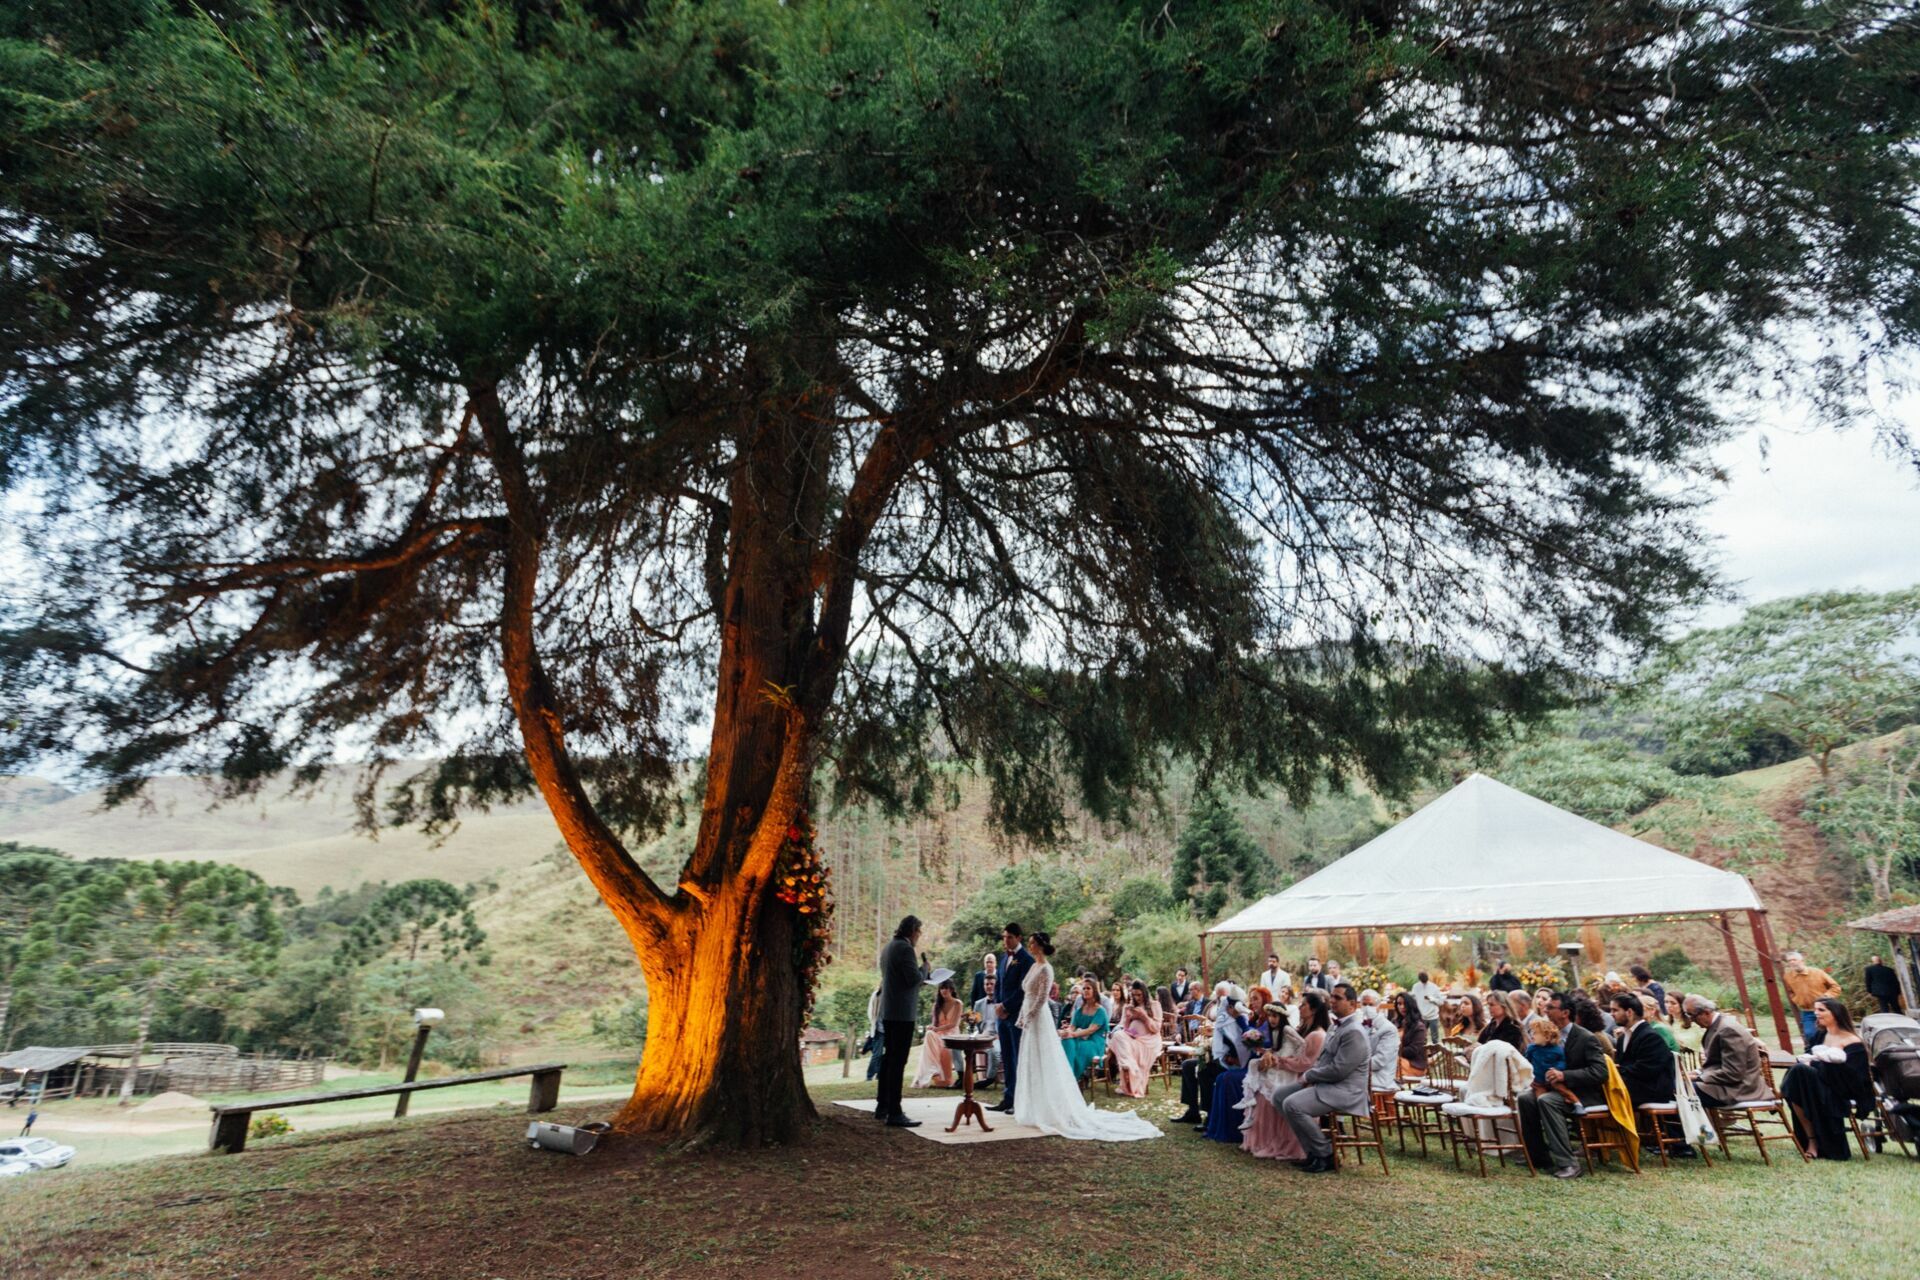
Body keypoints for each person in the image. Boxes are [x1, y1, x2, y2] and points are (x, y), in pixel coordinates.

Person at [1010, 931, 1161, 1141]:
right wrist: (1022, 1016)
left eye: (1033, 943)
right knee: (1030, 1059)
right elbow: (1027, 994)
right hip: (1028, 1015)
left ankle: (1052, 1107)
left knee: (1043, 1057)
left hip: (1038, 1017)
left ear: (1041, 946)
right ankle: (1033, 1107)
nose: (1030, 946)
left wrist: (1030, 1016)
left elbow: (1041, 998)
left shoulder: (1046, 968)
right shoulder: (1033, 966)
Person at [1264, 981, 1371, 1173]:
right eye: (1332, 996)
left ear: (1353, 1004)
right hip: (1327, 1083)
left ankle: (1326, 1154)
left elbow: (1339, 1070)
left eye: (1338, 998)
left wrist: (1309, 1076)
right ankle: (1312, 1151)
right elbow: (1324, 1060)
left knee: (1293, 1105)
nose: (1333, 1000)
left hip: (1345, 1090)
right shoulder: (1335, 1026)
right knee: (1279, 1096)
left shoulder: (1354, 1031)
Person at [1516, 992, 1610, 1178]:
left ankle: (1568, 1164)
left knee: (1547, 1101)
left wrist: (1564, 1075)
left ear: (1565, 1012)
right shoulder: (1546, 1034)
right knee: (1525, 1098)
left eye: (1551, 1007)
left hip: (1581, 1094)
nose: (1545, 1010)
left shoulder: (1585, 1037)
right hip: (1550, 1088)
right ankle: (1538, 1156)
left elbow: (1600, 1072)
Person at [1779, 996, 1874, 1159]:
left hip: (1841, 1089)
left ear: (1835, 1013)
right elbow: (1808, 1056)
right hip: (1817, 1083)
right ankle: (1812, 1140)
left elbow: (1854, 1077)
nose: (1816, 1013)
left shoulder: (1853, 1042)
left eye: (1821, 1010)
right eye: (1815, 1010)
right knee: (1798, 1076)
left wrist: (1815, 1065)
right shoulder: (1819, 1036)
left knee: (1798, 1073)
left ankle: (1779, 1093)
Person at [1242, 994, 1327, 1160]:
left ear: (1314, 1010)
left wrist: (1280, 1061)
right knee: (1258, 1075)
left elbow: (1305, 1062)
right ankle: (1263, 1133)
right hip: (1288, 1069)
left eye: (1303, 1005)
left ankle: (1284, 1143)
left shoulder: (1316, 1034)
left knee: (1271, 1094)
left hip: (1300, 1077)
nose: (1299, 1007)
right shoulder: (1299, 1029)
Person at [1611, 992, 1690, 1156]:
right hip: (1635, 1084)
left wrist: (1617, 1071)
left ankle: (1619, 1142)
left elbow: (1647, 1069)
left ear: (1630, 1012)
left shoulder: (1650, 1036)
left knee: (1611, 1094)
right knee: (1606, 1090)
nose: (1611, 1014)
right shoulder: (1622, 1038)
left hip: (1653, 1088)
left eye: (1615, 1010)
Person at [876, 914, 930, 1127]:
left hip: (889, 1011)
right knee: (898, 1061)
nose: (919, 936)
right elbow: (913, 979)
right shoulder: (906, 949)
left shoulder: (889, 947)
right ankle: (895, 1112)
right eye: (919, 932)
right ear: (912, 931)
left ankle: (883, 1106)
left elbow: (902, 979)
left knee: (889, 1060)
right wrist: (925, 968)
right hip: (902, 1014)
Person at [1684, 995, 1773, 1109]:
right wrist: (1696, 1072)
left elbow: (1733, 1072)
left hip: (1740, 1089)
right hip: (1728, 1085)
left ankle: (1696, 1126)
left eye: (1692, 1016)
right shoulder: (1718, 1026)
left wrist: (1700, 1077)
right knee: (1679, 1087)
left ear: (1706, 1012)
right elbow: (1717, 1064)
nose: (1691, 1021)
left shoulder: (1728, 1030)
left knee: (1681, 1091)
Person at [990, 922, 1032, 1114]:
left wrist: (1007, 1006)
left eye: (1009, 937)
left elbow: (1023, 989)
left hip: (1016, 1015)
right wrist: (998, 1005)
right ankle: (1008, 1097)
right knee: (1006, 1057)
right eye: (1004, 937)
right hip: (1002, 1015)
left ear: (1018, 938)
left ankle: (1020, 1100)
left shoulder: (1026, 960)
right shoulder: (1002, 958)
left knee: (1017, 1057)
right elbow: (999, 983)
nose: (1006, 940)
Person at [1110, 981, 1162, 1098]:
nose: (1137, 997)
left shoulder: (1155, 1005)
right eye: (1134, 995)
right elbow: (1124, 1028)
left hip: (1149, 1042)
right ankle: (1130, 1067)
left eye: (1139, 994)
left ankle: (1132, 1071)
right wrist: (1129, 1019)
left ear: (1145, 993)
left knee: (1122, 1042)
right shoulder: (1128, 1007)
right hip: (1132, 1038)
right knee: (1118, 1035)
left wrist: (1144, 1017)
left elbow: (1156, 1029)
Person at [1782, 951, 1842, 1047]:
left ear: (1802, 961)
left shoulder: (1817, 972)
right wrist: (1797, 1000)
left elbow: (1835, 987)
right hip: (1807, 1012)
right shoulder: (1788, 977)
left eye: (1794, 960)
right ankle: (1818, 1055)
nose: (1792, 962)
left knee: (1831, 1033)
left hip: (1825, 1010)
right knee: (1810, 1034)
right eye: (1789, 961)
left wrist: (1825, 997)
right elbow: (1790, 992)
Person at [912, 978, 964, 1088]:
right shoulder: (936, 1005)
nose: (944, 991)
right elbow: (934, 1024)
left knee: (934, 1036)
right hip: (939, 1034)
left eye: (946, 988)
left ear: (951, 989)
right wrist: (932, 1027)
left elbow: (954, 1024)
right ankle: (933, 1070)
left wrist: (937, 1029)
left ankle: (938, 1072)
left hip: (952, 1034)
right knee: (929, 1034)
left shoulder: (957, 1003)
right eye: (941, 988)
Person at [1060, 978, 1111, 1081]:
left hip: (1095, 1042)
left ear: (1094, 991)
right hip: (1080, 1038)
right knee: (1066, 1041)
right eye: (1084, 988)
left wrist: (1073, 1034)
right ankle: (1067, 1076)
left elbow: (1090, 1030)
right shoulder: (1079, 1010)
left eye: (1088, 988)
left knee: (1079, 1046)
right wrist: (1066, 1032)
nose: (1086, 990)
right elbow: (1072, 1027)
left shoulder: (1100, 1011)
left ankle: (1072, 1077)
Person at [1524, 1018, 1578, 1106]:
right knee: (1541, 1097)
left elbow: (1562, 1061)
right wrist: (1528, 1076)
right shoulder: (1531, 1048)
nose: (1532, 1035)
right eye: (1531, 1032)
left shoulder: (1557, 1049)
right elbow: (1526, 1062)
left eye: (1535, 1033)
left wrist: (1557, 1068)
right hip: (1538, 1081)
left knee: (1561, 1088)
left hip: (1553, 1078)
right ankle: (1542, 1113)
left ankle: (1574, 1101)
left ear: (1547, 1037)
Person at [972, 975, 1003, 1084]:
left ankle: (988, 1079)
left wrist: (1000, 1036)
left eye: (991, 984)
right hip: (982, 1036)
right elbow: (976, 1024)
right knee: (963, 1046)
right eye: (986, 984)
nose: (989, 986)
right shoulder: (978, 1004)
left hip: (997, 1037)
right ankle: (964, 1077)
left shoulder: (1003, 1002)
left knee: (995, 1052)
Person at [1391, 991, 1428, 1075]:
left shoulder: (1419, 1026)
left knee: (1390, 1061)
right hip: (1396, 1058)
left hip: (1414, 1064)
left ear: (1411, 1005)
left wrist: (1392, 1051)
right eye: (1399, 1004)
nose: (1402, 1007)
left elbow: (1413, 1050)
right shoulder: (1394, 1022)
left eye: (1405, 1004)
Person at [1409, 970, 1443, 1043]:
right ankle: (1423, 1052)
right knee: (1422, 1038)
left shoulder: (1434, 987)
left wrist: (1432, 999)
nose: (1424, 982)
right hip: (1422, 1016)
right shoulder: (1415, 987)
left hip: (1433, 1016)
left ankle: (1435, 1052)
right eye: (1422, 980)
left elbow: (1441, 1002)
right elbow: (1412, 998)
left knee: (1435, 1038)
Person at [863, 984, 885, 1081]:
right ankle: (869, 1076)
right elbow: (870, 1011)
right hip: (878, 1030)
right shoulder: (876, 995)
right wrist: (873, 1022)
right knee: (877, 1054)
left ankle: (880, 1075)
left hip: (891, 1030)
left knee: (887, 1055)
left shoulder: (894, 995)